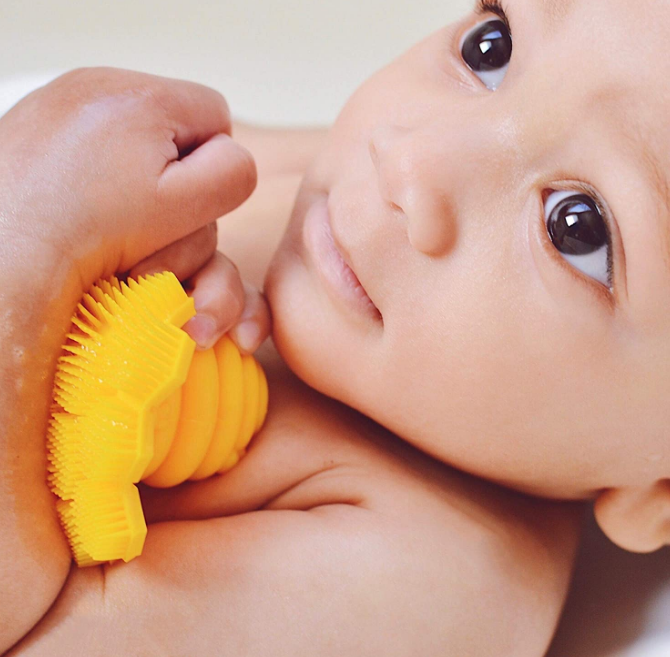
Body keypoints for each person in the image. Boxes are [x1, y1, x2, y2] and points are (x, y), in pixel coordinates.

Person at [4, 0, 669, 653]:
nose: (413, 160)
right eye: (490, 49)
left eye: (577, 227)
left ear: (658, 491)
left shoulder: (432, 578)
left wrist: (32, 243)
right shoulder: (321, 174)